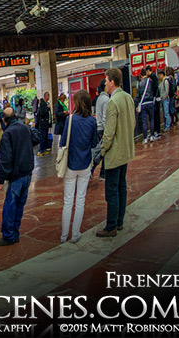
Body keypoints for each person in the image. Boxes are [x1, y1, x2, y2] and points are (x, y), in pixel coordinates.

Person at [0, 106, 38, 246]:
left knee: (10, 206)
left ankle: (8, 236)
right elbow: (36, 138)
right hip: (28, 173)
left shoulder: (8, 134)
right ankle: (15, 233)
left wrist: (0, 180)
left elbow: (5, 159)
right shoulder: (25, 128)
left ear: (4, 120)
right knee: (19, 206)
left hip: (16, 175)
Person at [97, 68, 135, 237]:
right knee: (122, 186)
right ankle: (120, 221)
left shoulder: (113, 102)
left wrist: (102, 151)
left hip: (114, 153)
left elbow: (109, 132)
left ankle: (111, 226)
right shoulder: (128, 98)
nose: (104, 83)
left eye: (106, 81)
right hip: (126, 150)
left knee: (111, 190)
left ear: (112, 82)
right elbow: (132, 123)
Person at [60, 90, 98, 243]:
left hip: (70, 164)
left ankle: (64, 235)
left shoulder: (70, 120)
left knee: (68, 201)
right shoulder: (92, 121)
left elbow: (63, 142)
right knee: (80, 199)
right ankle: (75, 233)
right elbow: (95, 144)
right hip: (85, 165)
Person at [91, 79, 109, 179]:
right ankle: (102, 173)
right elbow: (105, 117)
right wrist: (107, 129)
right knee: (104, 151)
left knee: (101, 151)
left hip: (98, 127)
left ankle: (94, 168)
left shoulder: (99, 99)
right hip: (102, 128)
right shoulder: (106, 100)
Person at [136, 69, 155, 142]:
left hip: (143, 103)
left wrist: (137, 105)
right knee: (151, 119)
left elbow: (138, 96)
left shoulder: (140, 84)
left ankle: (145, 137)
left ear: (141, 76)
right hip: (150, 102)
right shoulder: (150, 81)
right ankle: (152, 135)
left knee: (144, 121)